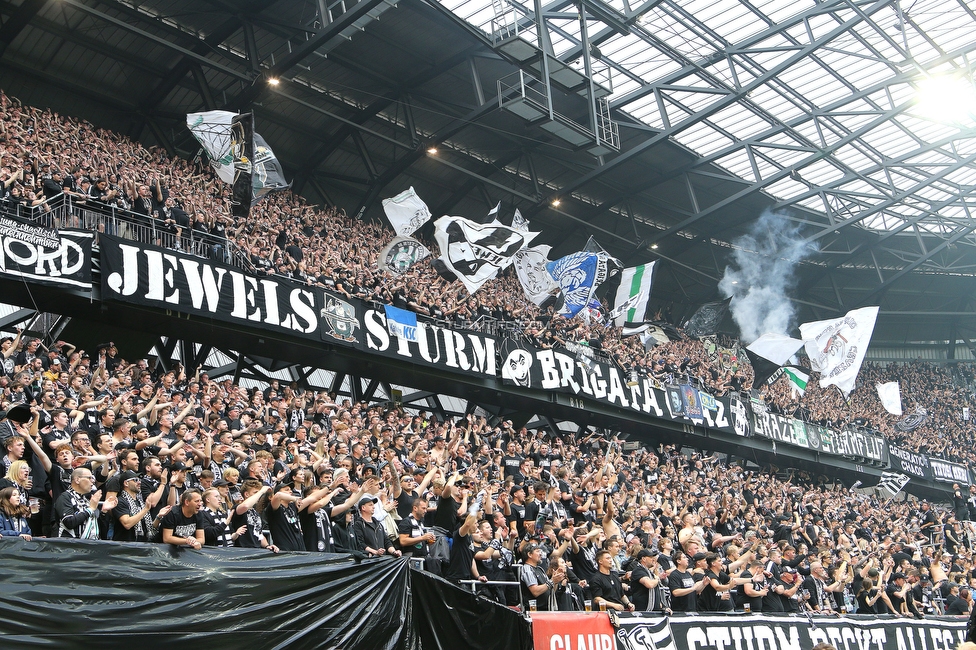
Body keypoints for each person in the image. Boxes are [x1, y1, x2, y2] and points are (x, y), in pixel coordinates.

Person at [53, 468, 117, 538]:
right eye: (89, 478)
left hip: (90, 546)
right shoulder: (65, 497)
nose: (93, 481)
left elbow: (99, 531)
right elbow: (69, 522)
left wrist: (103, 512)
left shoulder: (86, 500)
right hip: (70, 547)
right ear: (77, 480)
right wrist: (90, 509)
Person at [113, 470, 165, 543]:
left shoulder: (140, 502)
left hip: (142, 545)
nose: (139, 482)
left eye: (140, 480)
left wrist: (158, 516)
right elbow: (127, 524)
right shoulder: (120, 501)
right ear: (126, 483)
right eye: (135, 480)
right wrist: (145, 509)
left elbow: (149, 527)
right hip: (125, 548)